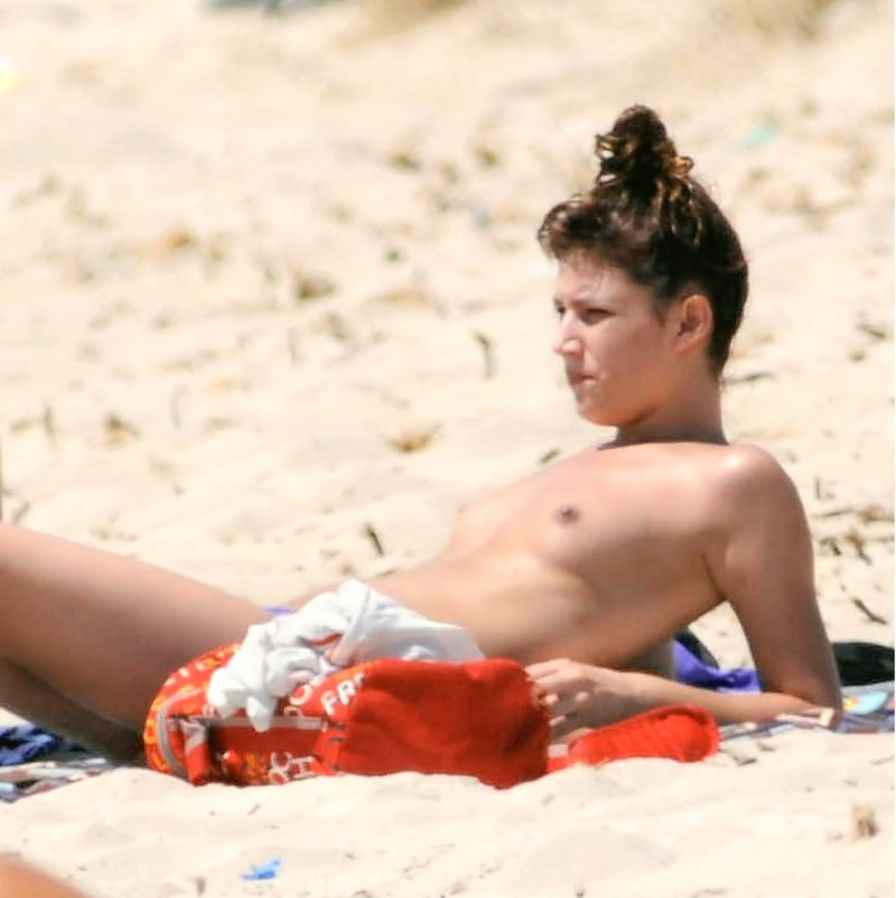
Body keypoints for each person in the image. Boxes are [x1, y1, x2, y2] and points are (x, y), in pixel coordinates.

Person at [0, 105, 841, 763]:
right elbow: (607, 615)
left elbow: (811, 705)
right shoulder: (593, 469)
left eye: (594, 315)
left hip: (308, 676)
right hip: (282, 651)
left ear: (688, 322)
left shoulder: (734, 483)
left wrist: (640, 698)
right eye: (559, 312)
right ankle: (132, 739)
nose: (564, 341)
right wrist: (639, 672)